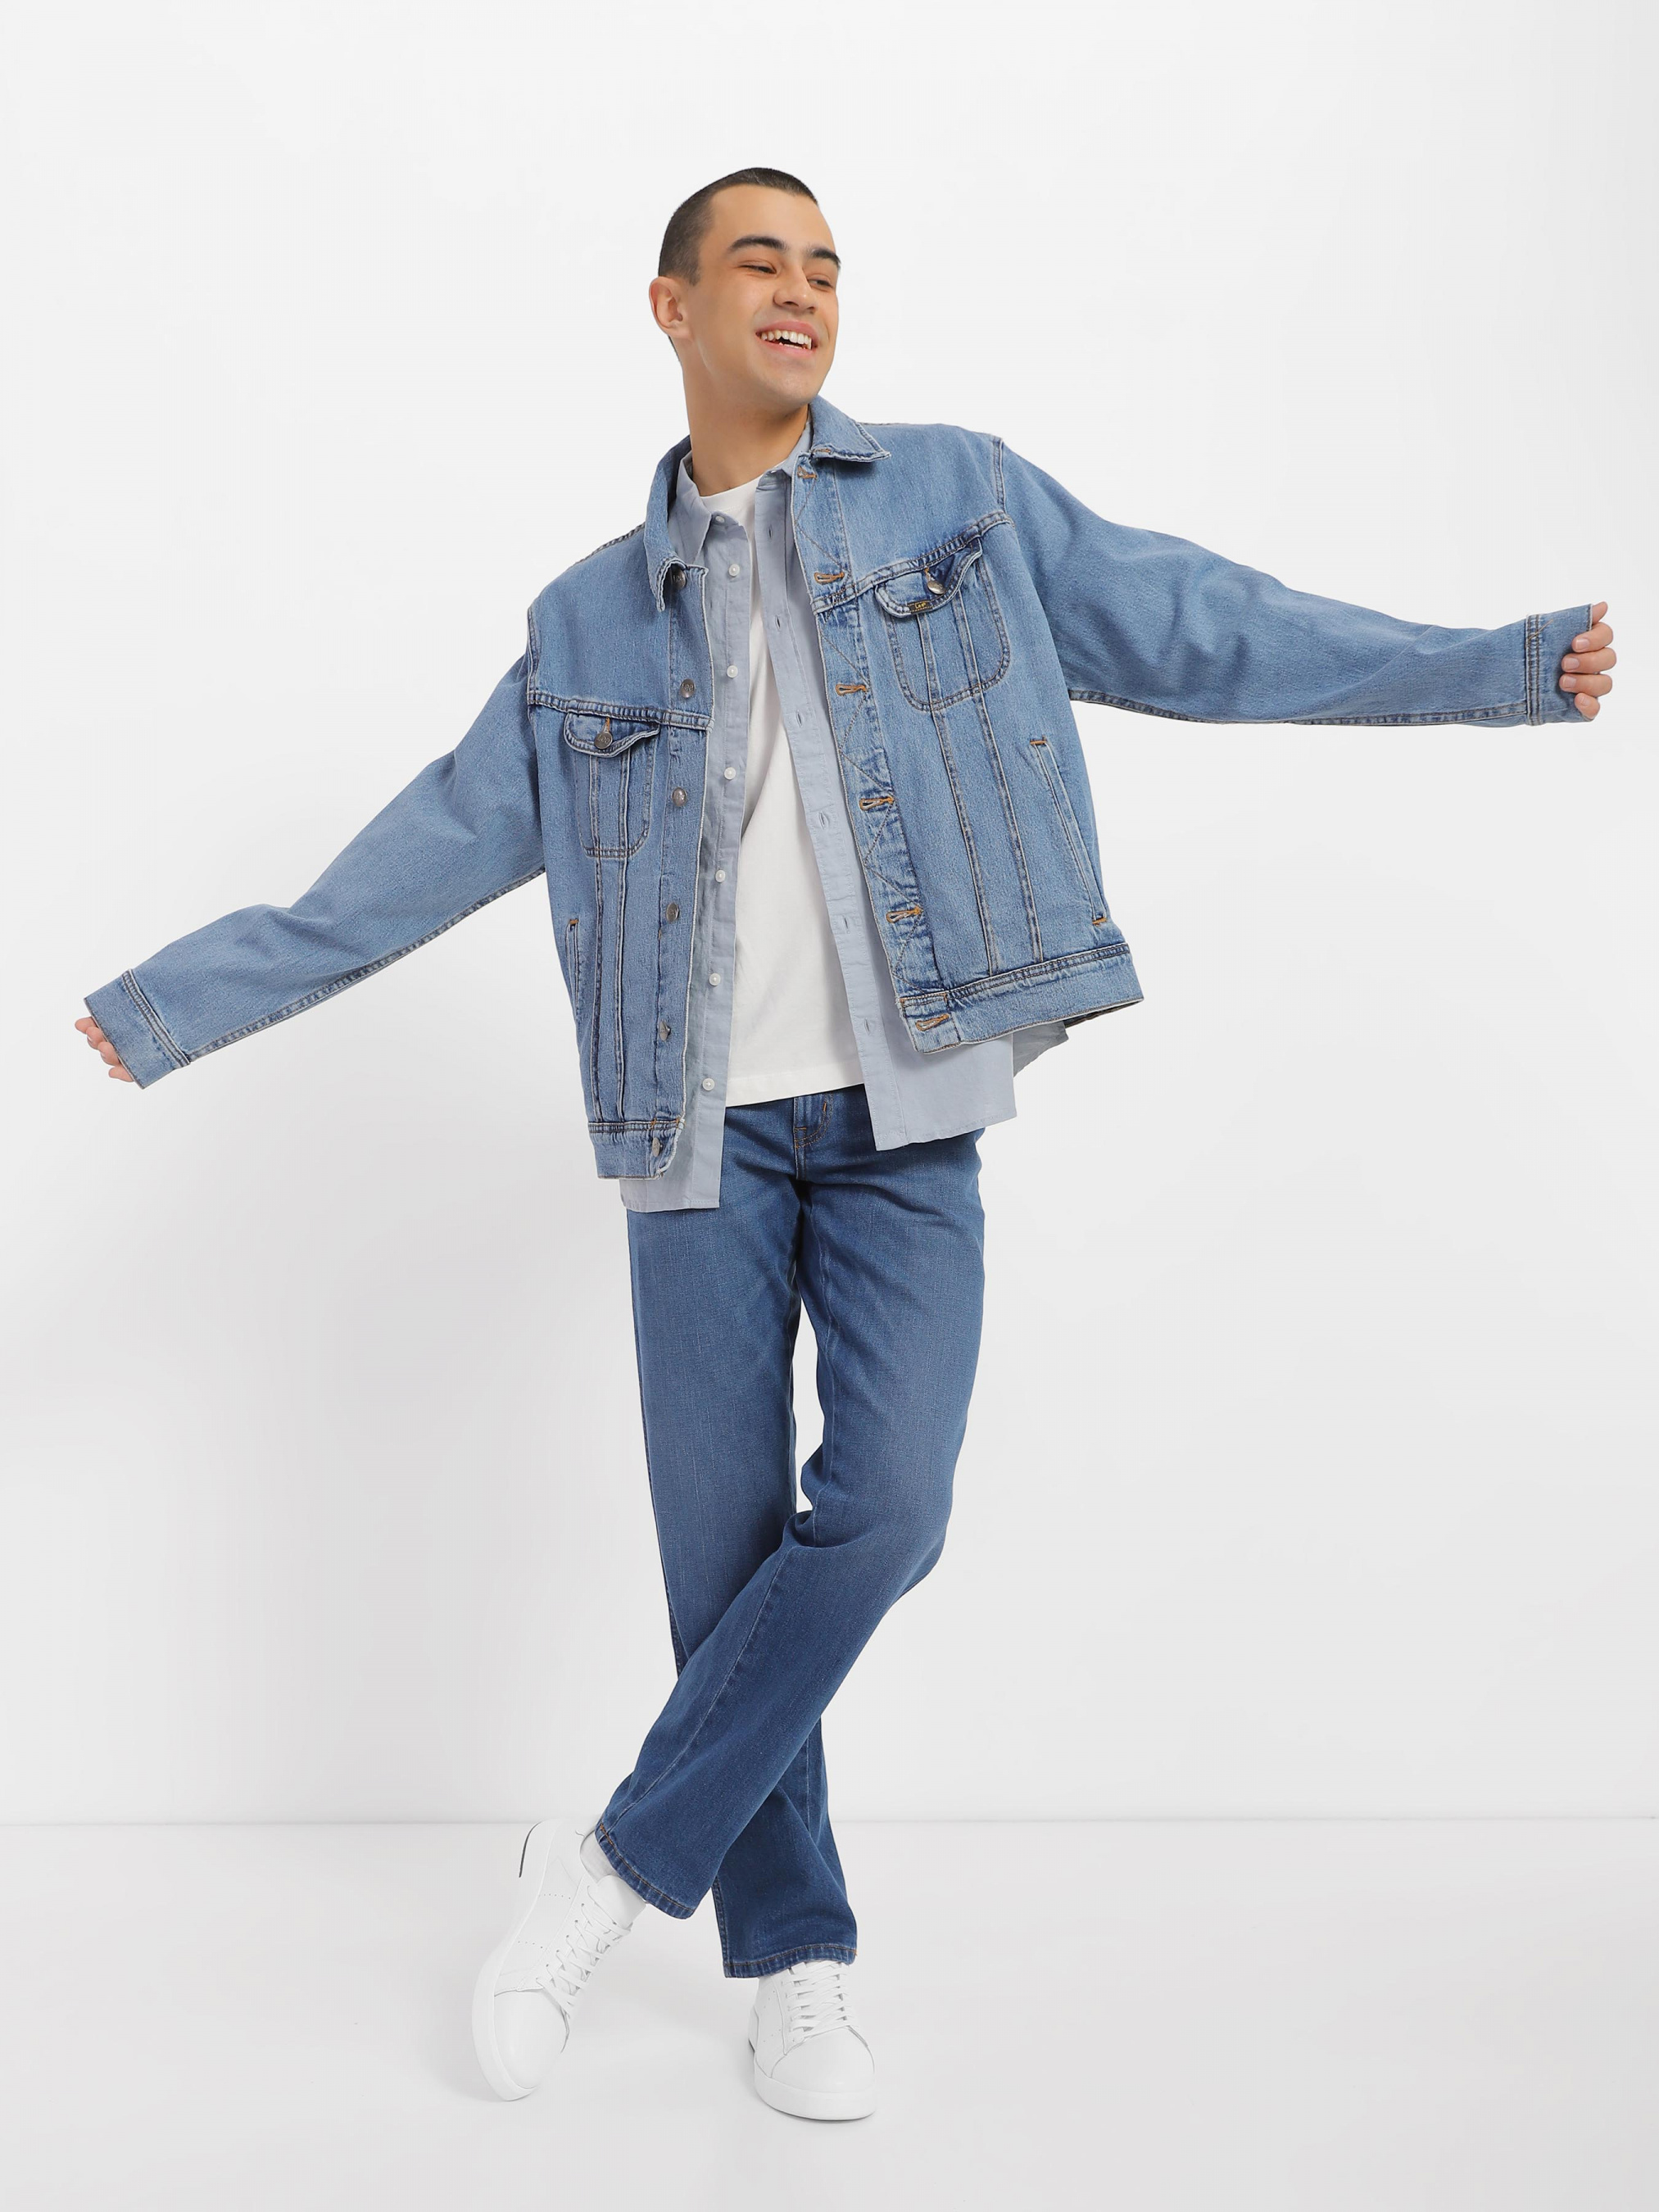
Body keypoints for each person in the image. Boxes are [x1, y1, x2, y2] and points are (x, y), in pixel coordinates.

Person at [75, 166, 1616, 2124]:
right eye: (758, 262)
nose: (800, 292)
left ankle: (607, 1866)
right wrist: (180, 1003)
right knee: (724, 1567)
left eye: (823, 266)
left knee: (887, 1510)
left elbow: (1197, 623)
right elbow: (418, 855)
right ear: (670, 307)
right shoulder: (583, 620)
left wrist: (1487, 666)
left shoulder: (957, 499)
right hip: (692, 1135)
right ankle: (793, 1961)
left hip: (903, 1117)